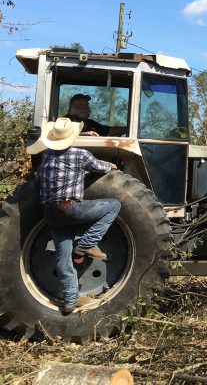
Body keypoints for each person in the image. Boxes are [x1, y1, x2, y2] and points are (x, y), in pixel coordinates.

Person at [34, 117, 121, 314]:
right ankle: (86, 244)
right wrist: (112, 166)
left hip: (50, 214)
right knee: (114, 205)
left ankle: (69, 300)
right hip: (71, 209)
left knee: (63, 257)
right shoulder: (80, 154)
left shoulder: (46, 155)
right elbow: (100, 167)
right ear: (73, 136)